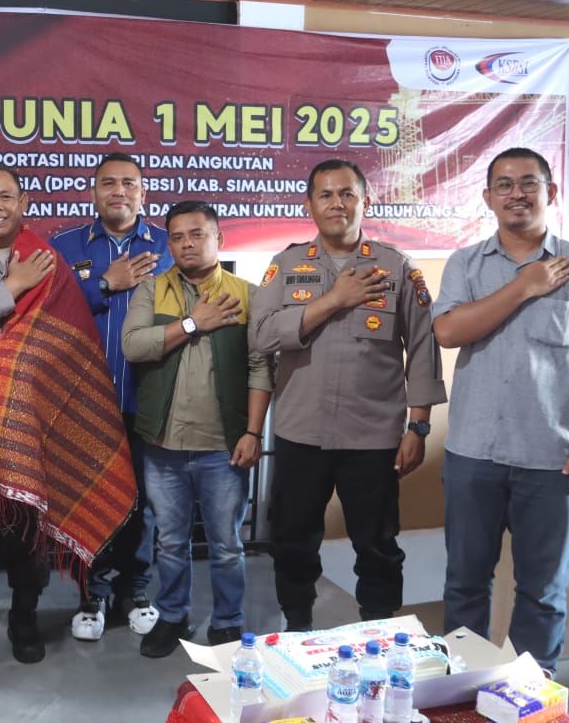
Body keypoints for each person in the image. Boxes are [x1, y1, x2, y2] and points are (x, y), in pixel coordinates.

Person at [0, 164, 136, 667]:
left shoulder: (46, 259)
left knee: (28, 527)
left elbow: (65, 336)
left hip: (30, 416)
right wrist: (12, 287)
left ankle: (24, 616)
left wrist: (19, 353)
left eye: (6, 196)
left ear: (23, 204)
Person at [432, 147, 569, 674]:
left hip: (553, 458)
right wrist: (524, 286)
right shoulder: (466, 263)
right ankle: (461, 690)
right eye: (504, 184)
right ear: (488, 197)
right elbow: (448, 331)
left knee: (543, 591)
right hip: (473, 455)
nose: (516, 193)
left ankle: (529, 696)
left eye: (528, 183)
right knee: (465, 584)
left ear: (550, 192)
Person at [251, 158, 446, 632]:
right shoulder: (286, 265)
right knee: (292, 541)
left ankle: (377, 630)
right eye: (325, 195)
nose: (336, 203)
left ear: (365, 202)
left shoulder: (396, 266)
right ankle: (298, 626)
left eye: (347, 194)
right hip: (301, 432)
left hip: (373, 437)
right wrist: (333, 300)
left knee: (377, 545)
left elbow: (423, 349)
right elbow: (260, 336)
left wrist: (418, 426)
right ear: (309, 205)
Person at [122, 201, 273, 658]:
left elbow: (260, 366)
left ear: (218, 239)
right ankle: (172, 616)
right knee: (170, 542)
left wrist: (253, 433)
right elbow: (133, 345)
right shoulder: (152, 289)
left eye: (197, 234)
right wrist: (192, 323)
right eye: (177, 237)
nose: (187, 244)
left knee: (226, 545)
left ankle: (227, 622)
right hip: (163, 445)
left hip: (223, 446)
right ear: (168, 244)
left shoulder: (247, 294)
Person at [50, 152, 172, 641]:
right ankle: (93, 592)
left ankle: (135, 589)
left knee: (143, 502)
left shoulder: (168, 244)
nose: (118, 191)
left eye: (128, 183)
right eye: (108, 183)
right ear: (94, 192)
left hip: (150, 399)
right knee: (91, 498)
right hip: (84, 402)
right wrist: (104, 284)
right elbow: (46, 310)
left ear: (143, 193)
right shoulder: (65, 247)